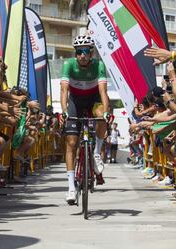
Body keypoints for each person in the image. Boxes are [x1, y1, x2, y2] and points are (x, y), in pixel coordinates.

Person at [60, 35, 110, 204]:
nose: (82, 55)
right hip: (75, 101)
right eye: (79, 51)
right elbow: (64, 90)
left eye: (86, 51)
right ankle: (71, 188)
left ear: (91, 53)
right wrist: (64, 110)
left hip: (93, 99)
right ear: (76, 53)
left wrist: (106, 112)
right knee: (72, 143)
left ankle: (96, 153)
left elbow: (103, 91)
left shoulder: (99, 65)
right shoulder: (68, 65)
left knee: (102, 117)